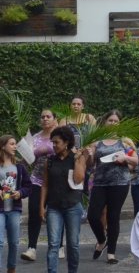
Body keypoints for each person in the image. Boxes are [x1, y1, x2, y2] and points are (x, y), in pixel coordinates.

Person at [86, 110, 138, 264]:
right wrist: (89, 154)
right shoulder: (97, 141)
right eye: (110, 120)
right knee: (93, 216)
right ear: (105, 122)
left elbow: (136, 160)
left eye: (116, 121)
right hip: (100, 183)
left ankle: (111, 253)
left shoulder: (125, 141)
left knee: (113, 217)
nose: (113, 123)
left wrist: (125, 157)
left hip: (120, 183)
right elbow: (90, 164)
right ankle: (102, 240)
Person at [41, 126, 88, 273]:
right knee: (53, 244)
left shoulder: (77, 158)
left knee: (73, 244)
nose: (54, 145)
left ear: (66, 142)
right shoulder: (49, 161)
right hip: (53, 207)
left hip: (73, 206)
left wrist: (77, 159)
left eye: (57, 142)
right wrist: (41, 206)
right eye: (52, 142)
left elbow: (79, 179)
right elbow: (45, 185)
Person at [22, 108, 58, 262]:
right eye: (42, 117)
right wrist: (26, 154)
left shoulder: (61, 136)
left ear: (54, 119)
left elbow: (68, 154)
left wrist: (48, 150)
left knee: (56, 213)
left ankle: (58, 246)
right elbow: (28, 160)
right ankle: (31, 248)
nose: (45, 119)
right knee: (34, 212)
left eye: (48, 116)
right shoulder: (34, 138)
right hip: (37, 179)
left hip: (57, 181)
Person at [0, 134, 32, 273]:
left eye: (15, 144)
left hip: (14, 209)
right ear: (2, 146)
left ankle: (11, 269)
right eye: (12, 144)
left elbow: (28, 186)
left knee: (14, 242)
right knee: (0, 242)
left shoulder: (19, 167)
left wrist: (20, 193)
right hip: (0, 209)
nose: (15, 146)